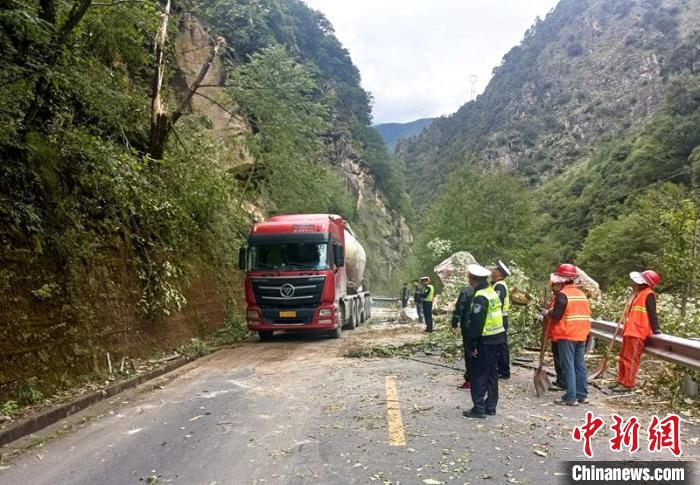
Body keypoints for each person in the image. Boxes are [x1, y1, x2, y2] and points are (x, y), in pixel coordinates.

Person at [544, 264, 591, 406]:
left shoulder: (562, 295)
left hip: (567, 334)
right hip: (581, 334)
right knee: (579, 365)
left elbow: (557, 315)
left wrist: (549, 312)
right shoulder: (581, 294)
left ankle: (570, 397)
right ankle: (582, 394)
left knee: (568, 366)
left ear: (562, 280)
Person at [463, 264, 506, 418]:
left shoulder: (480, 296)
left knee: (479, 374)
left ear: (472, 279)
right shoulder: (492, 292)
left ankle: (479, 408)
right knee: (492, 374)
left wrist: (472, 343)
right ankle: (490, 406)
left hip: (485, 340)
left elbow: (477, 322)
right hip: (498, 338)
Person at [612, 270, 662, 392]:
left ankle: (627, 384)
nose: (635, 283)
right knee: (623, 357)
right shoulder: (638, 294)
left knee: (630, 359)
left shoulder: (648, 294)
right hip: (630, 330)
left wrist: (656, 329)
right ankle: (620, 380)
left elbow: (652, 313)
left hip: (638, 332)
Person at [451, 283, 475, 390]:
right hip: (485, 328)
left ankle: (470, 380)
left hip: (468, 326)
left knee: (469, 353)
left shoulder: (467, 291)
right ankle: (482, 380)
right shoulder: (488, 291)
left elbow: (460, 306)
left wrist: (454, 322)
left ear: (469, 277)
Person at [492, 261, 512, 380]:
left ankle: (504, 371)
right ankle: (501, 369)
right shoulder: (497, 284)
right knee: (500, 345)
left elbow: (496, 303)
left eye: (496, 269)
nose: (493, 270)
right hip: (500, 318)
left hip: (500, 319)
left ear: (500, 273)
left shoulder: (499, 286)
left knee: (501, 345)